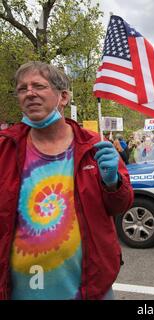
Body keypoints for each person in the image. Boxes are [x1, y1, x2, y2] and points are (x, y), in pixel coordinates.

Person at [0, 61, 134, 300]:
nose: (29, 93)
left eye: (38, 86)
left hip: (88, 288)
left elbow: (120, 206)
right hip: (19, 290)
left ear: (63, 97)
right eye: (22, 89)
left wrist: (112, 184)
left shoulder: (94, 146)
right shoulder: (5, 148)